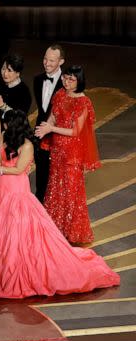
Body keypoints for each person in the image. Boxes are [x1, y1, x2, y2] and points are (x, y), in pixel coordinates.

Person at [0, 110, 119, 298]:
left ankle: (16, 270)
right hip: (0, 190)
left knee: (17, 234)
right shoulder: (3, 138)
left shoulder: (27, 146)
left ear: (13, 124)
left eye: (6, 123)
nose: (4, 125)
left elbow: (17, 170)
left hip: (17, 191)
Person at [35, 65, 100, 244]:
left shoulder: (83, 102)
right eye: (65, 78)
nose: (66, 82)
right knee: (55, 187)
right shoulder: (60, 95)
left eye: (71, 79)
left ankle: (73, 233)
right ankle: (55, 228)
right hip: (57, 151)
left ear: (79, 81)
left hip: (72, 153)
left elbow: (75, 131)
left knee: (71, 192)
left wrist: (52, 128)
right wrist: (44, 127)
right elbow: (53, 116)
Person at [33, 44, 65, 202]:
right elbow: (42, 111)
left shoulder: (68, 83)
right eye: (45, 59)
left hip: (59, 137)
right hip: (40, 135)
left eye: (52, 60)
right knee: (41, 176)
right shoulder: (37, 80)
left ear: (61, 61)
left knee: (58, 178)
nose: (47, 63)